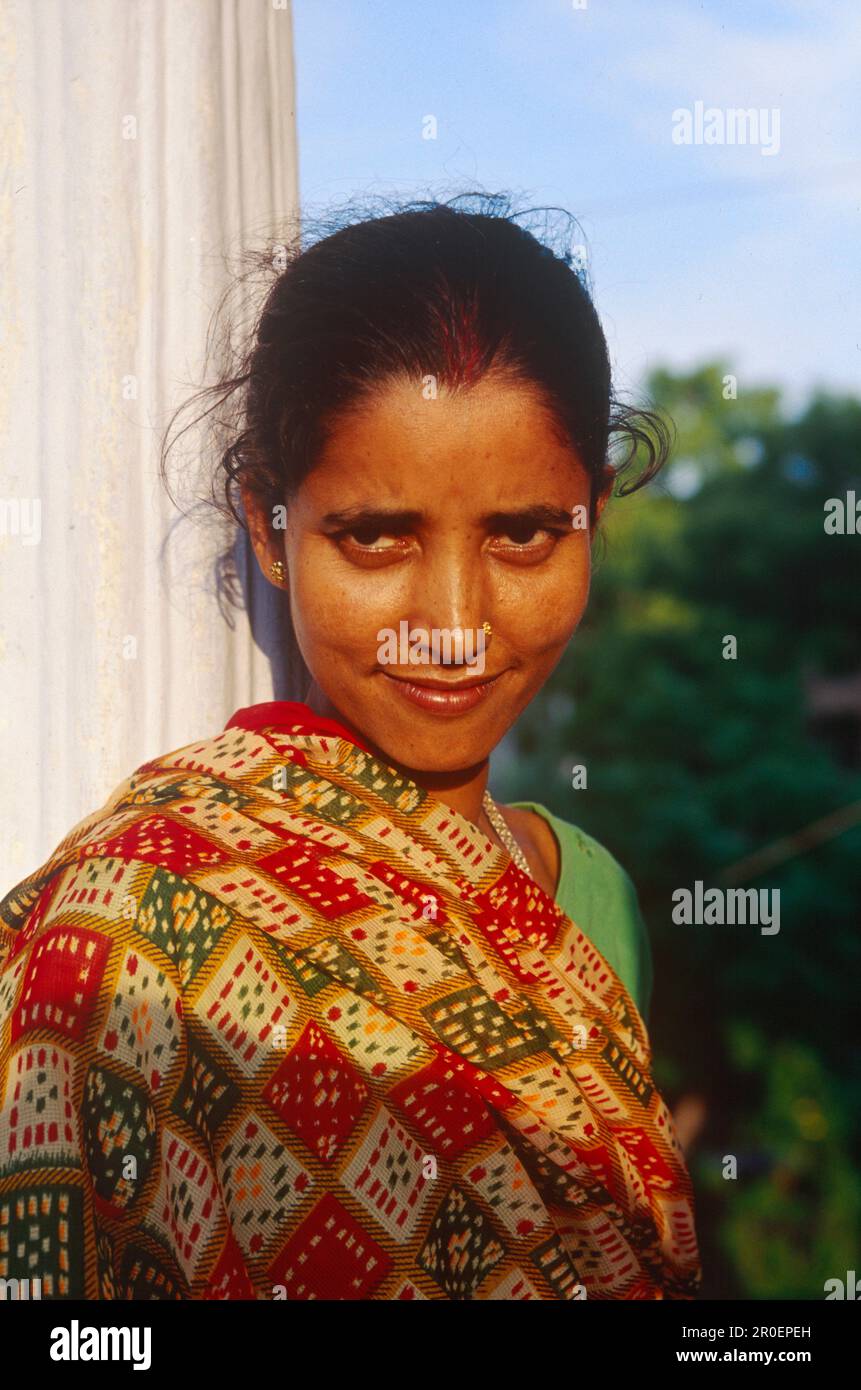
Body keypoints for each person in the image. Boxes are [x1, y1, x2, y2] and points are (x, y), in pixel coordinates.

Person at [0, 196, 701, 1300]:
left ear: (593, 517)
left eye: (523, 534)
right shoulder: (138, 920)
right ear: (271, 527)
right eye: (376, 536)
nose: (454, 620)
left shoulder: (596, 901)